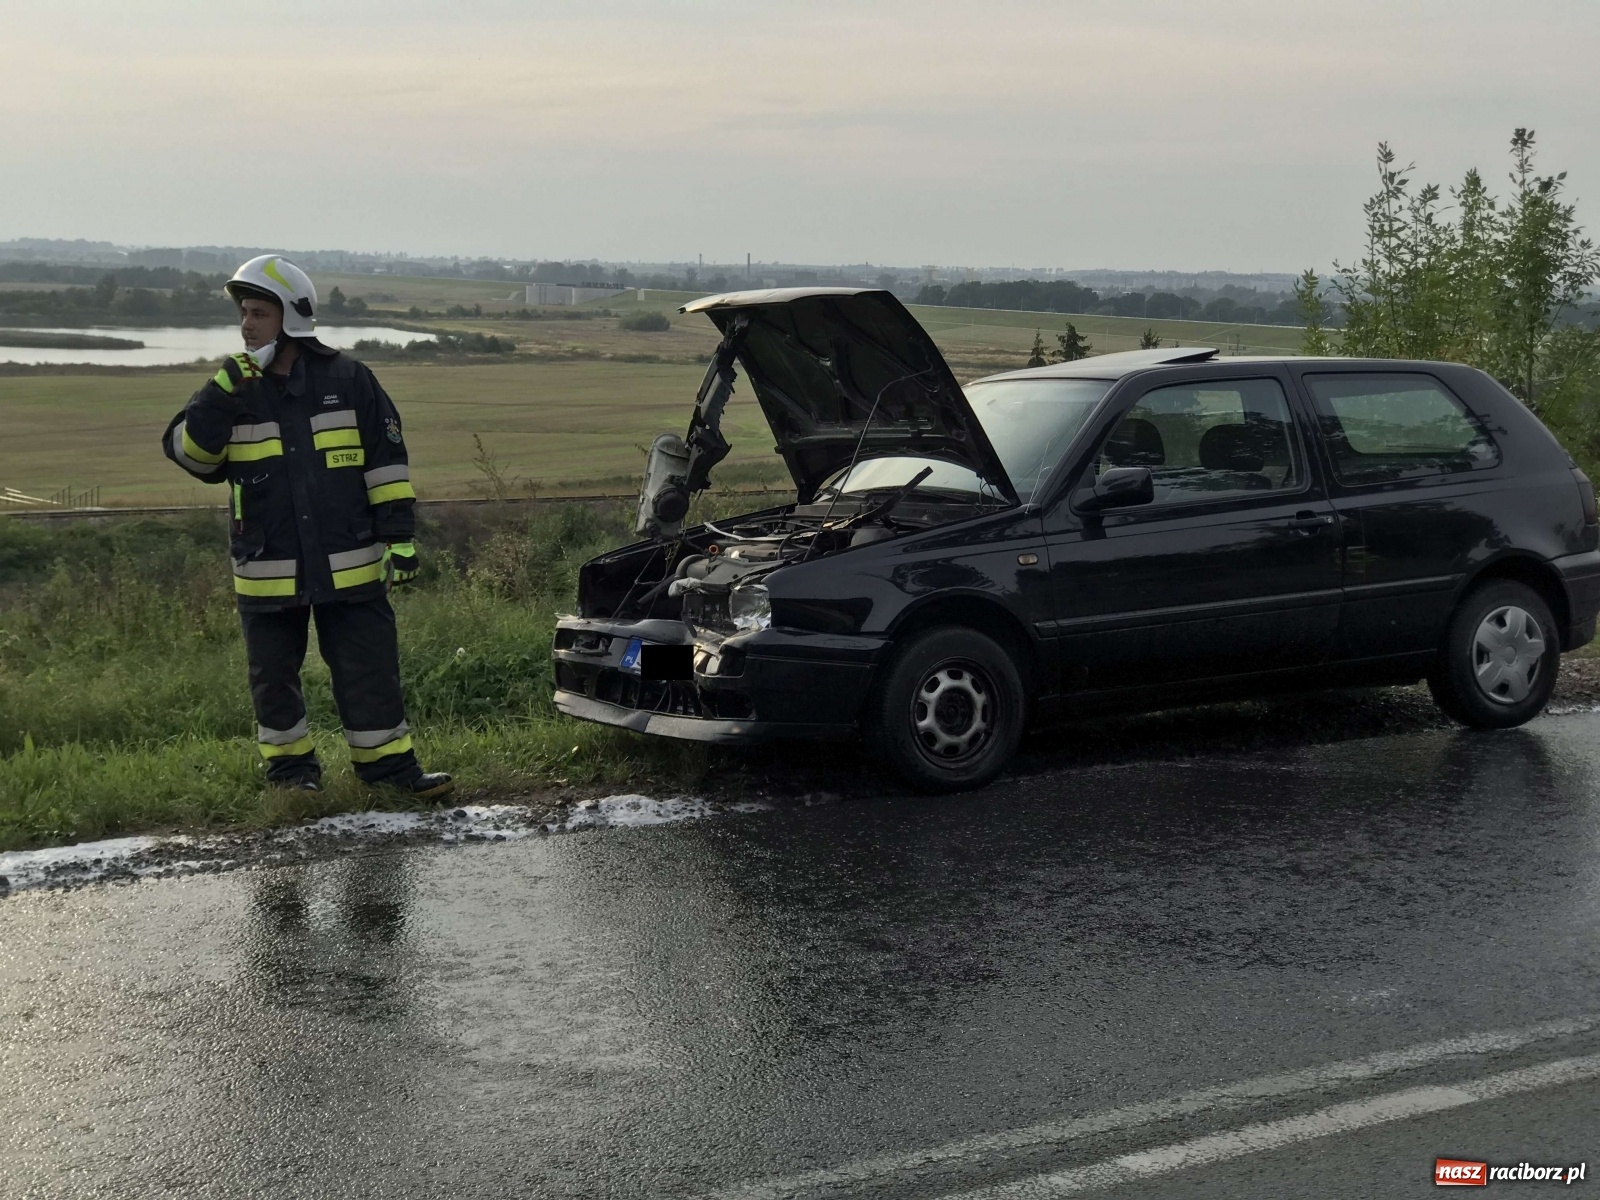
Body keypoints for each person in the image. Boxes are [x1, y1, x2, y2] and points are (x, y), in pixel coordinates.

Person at [162, 255, 453, 798]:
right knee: (274, 681)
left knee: (369, 669)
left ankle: (389, 773)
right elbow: (194, 458)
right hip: (266, 566)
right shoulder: (231, 389)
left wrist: (401, 539)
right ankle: (292, 778)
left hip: (351, 561)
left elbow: (387, 465)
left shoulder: (348, 380)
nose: (246, 325)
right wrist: (215, 395)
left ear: (291, 318)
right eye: (243, 313)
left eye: (257, 313)